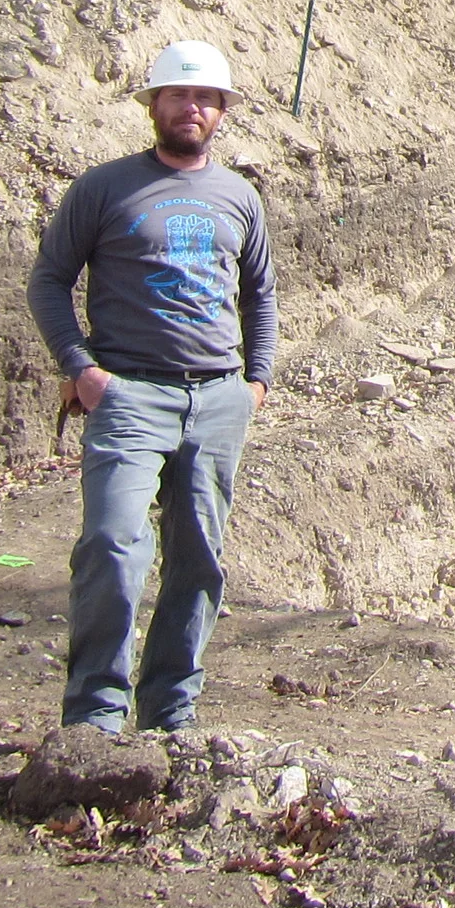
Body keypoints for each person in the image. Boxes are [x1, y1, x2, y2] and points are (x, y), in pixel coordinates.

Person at [28, 40, 276, 735]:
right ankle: (93, 719)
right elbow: (49, 279)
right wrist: (81, 369)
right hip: (129, 396)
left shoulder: (239, 197)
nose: (191, 107)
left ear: (222, 112)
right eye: (177, 95)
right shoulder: (104, 189)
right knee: (111, 543)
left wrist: (256, 381)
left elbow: (260, 293)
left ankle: (170, 715)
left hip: (217, 397)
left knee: (198, 559)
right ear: (154, 104)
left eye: (205, 98)